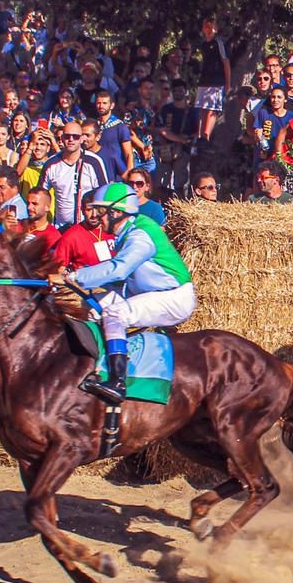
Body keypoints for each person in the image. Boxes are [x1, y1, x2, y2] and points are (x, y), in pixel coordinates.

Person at [57, 183, 197, 450]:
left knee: (116, 312)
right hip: (152, 292)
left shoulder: (141, 234)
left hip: (175, 297)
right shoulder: (129, 230)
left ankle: (117, 381)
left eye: (101, 212)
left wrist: (73, 276)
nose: (97, 217)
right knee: (99, 305)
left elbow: (119, 270)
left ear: (117, 213)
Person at [41, 122, 110, 229]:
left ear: (81, 138)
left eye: (75, 136)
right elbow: (41, 194)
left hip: (89, 227)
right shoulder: (51, 164)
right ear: (62, 138)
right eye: (67, 136)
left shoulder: (94, 162)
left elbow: (104, 194)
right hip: (61, 228)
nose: (71, 139)